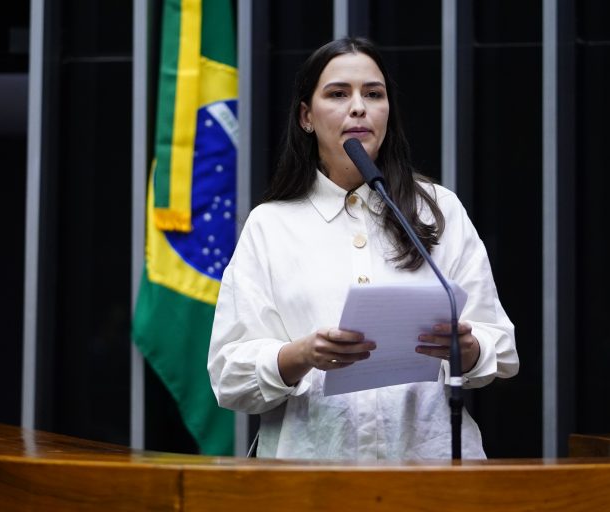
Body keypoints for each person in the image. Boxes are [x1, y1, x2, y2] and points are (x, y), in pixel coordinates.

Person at [208, 37, 518, 460]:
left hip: (430, 471)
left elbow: (500, 345)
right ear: (306, 117)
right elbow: (229, 375)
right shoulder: (271, 224)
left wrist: (471, 349)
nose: (359, 107)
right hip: (310, 476)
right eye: (338, 94)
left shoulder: (438, 209)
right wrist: (300, 354)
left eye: (373, 94)